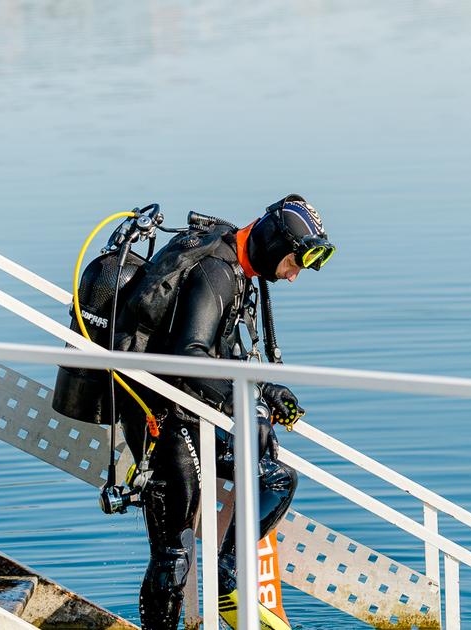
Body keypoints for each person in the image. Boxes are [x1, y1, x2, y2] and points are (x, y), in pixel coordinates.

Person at [113, 194, 335, 630]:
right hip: (161, 416)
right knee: (173, 553)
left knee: (275, 478)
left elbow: (217, 352)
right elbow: (190, 354)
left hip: (189, 411)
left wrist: (265, 391)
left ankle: (224, 576)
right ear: (274, 247)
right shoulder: (217, 270)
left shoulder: (238, 271)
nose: (291, 277)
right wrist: (243, 407)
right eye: (294, 263)